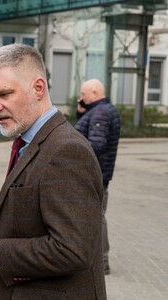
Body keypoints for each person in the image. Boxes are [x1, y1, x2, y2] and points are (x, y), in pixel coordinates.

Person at [0, 44, 106, 299]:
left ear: (38, 88)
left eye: (4, 94)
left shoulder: (66, 150)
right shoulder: (31, 142)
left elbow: (73, 249)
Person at [75, 78, 121, 275]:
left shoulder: (101, 112)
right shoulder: (99, 110)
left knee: (96, 217)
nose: (81, 98)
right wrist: (81, 115)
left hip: (95, 176)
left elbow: (96, 144)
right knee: (94, 216)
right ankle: (94, 259)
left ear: (94, 93)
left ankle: (101, 262)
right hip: (98, 175)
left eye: (84, 94)